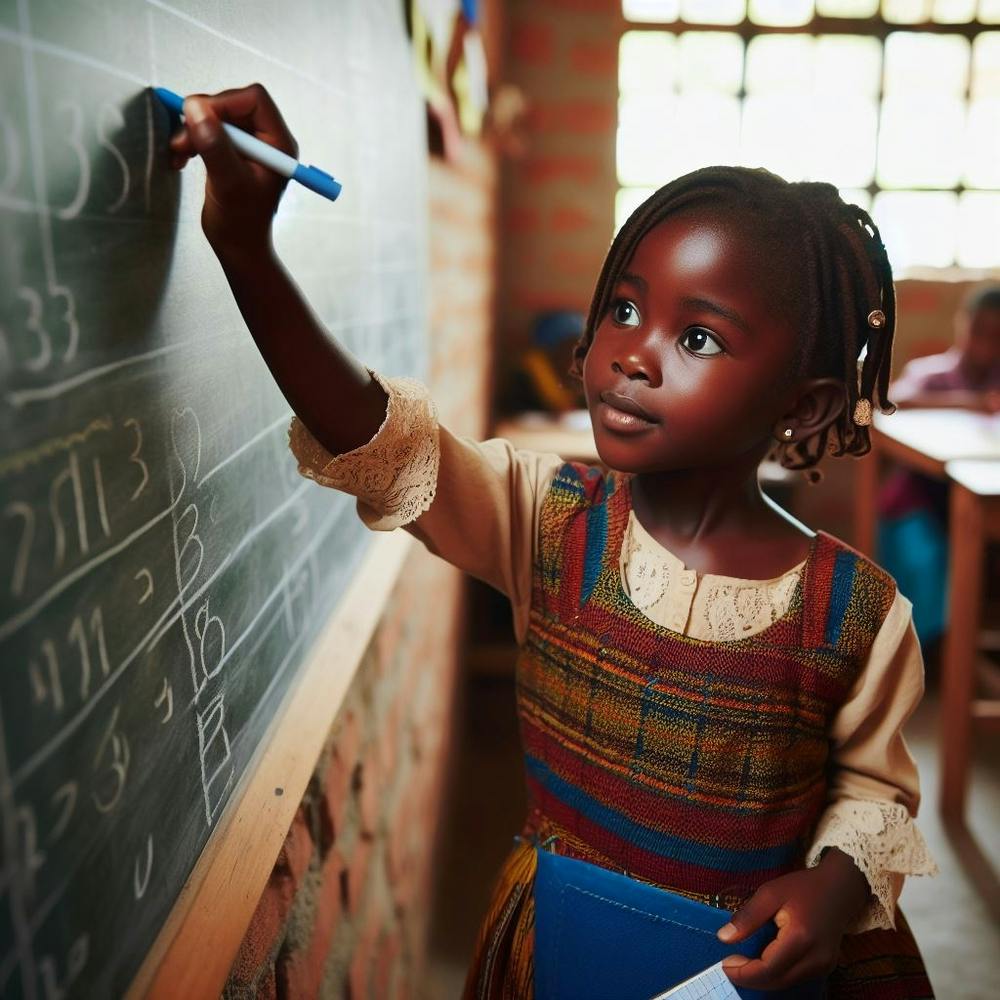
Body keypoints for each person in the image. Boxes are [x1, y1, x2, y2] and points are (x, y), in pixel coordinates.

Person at [168, 85, 939, 998]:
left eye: (696, 336)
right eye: (623, 309)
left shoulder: (860, 615)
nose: (633, 353)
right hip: (562, 952)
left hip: (750, 974)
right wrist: (247, 249)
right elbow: (377, 443)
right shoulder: (546, 515)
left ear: (803, 403)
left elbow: (874, 792)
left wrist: (835, 885)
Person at [876, 284, 1000, 656]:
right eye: (979, 330)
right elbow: (893, 403)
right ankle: (933, 651)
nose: (985, 343)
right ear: (962, 325)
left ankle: (961, 658)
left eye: (997, 336)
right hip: (919, 499)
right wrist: (972, 403)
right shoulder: (932, 374)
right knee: (928, 557)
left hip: (978, 499)